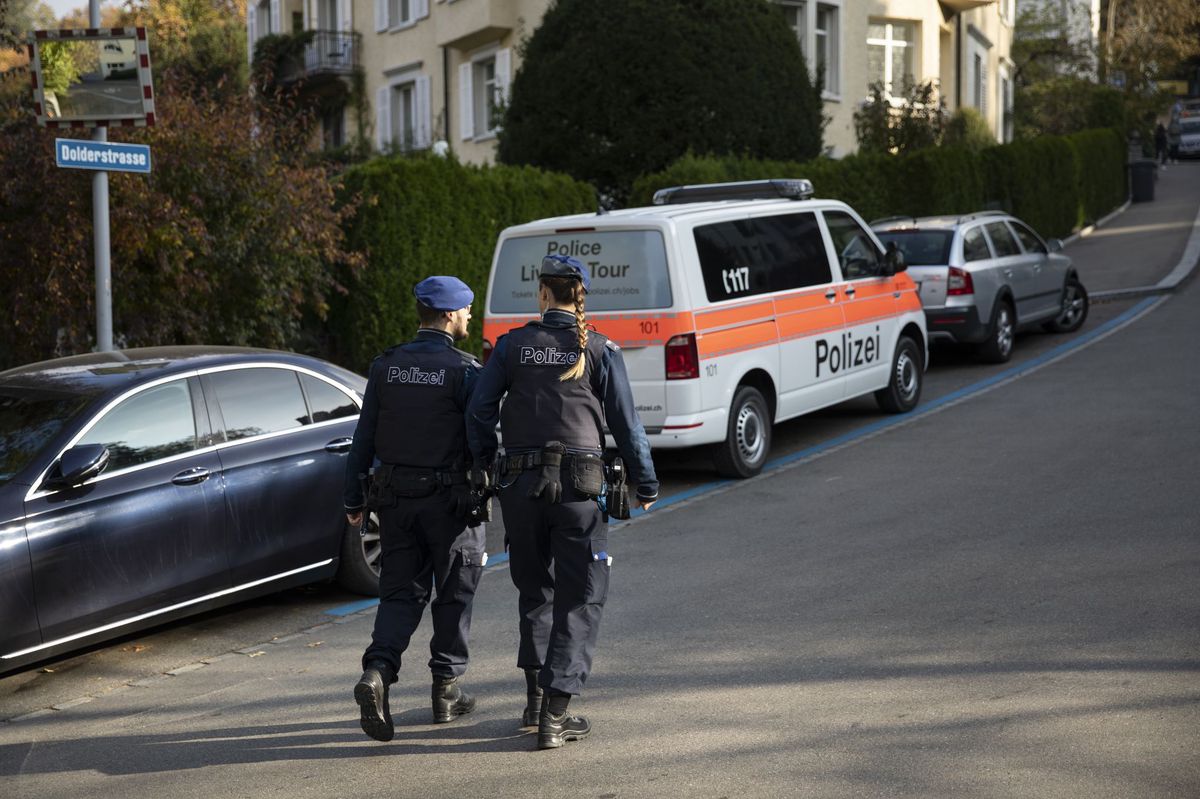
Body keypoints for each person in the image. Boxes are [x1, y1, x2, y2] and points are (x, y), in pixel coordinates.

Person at [467, 254, 659, 750]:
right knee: (580, 597)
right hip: (580, 489)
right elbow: (627, 424)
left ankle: (535, 701)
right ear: (581, 296)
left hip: (520, 489)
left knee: (536, 593)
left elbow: (479, 411)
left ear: (542, 295)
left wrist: (487, 463)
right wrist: (646, 484)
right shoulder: (598, 349)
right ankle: (555, 714)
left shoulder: (511, 347)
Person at [344, 276, 485, 742]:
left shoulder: (385, 367)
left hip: (395, 503)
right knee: (454, 591)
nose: (468, 317)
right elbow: (482, 439)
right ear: (448, 316)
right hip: (449, 505)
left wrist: (353, 501)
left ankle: (379, 671)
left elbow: (362, 441)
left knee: (399, 595)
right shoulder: (464, 372)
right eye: (465, 311)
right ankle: (445, 688)